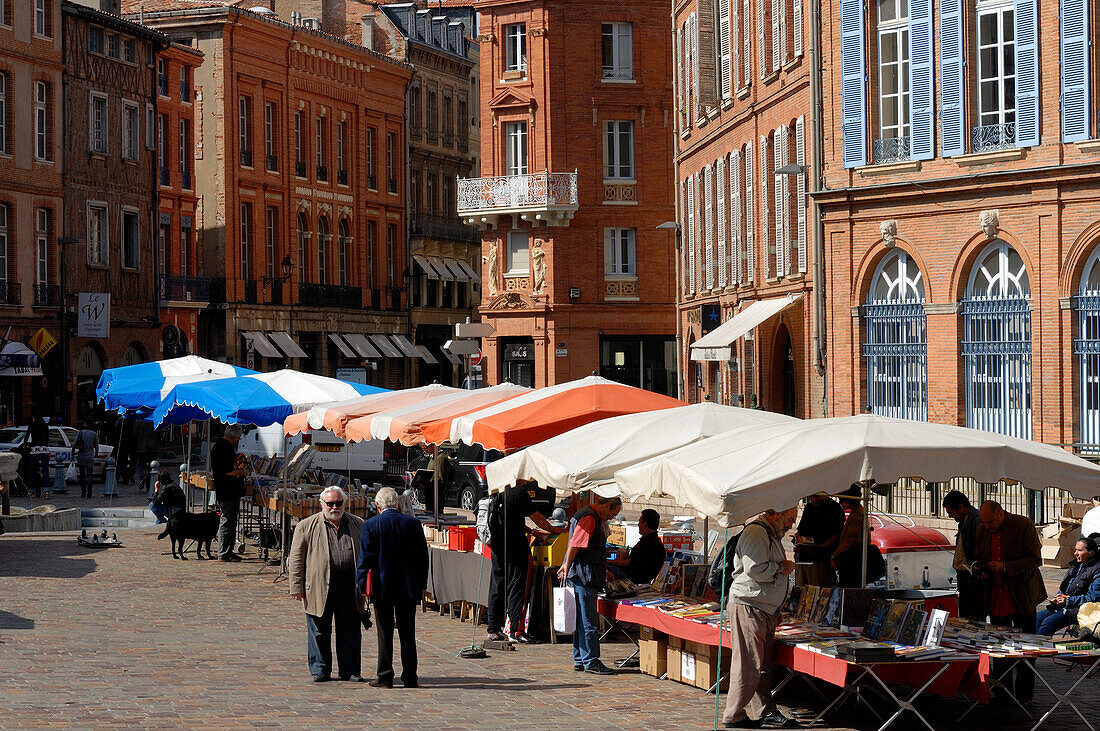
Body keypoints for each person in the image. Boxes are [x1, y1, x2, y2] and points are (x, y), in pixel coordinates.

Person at [721, 507, 799, 729]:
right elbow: (755, 569)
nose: (791, 525)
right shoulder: (757, 532)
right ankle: (733, 715)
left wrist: (775, 606)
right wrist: (781, 567)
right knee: (748, 663)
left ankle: (765, 710)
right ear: (776, 514)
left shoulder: (769, 533)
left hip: (763, 607)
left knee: (761, 664)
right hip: (750, 605)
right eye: (790, 519)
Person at [289, 486, 369, 683]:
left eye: (338, 503)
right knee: (318, 629)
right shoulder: (306, 526)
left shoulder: (358, 524)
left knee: (350, 630)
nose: (334, 507)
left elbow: (368, 555)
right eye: (330, 503)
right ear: (322, 504)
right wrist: (296, 586)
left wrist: (367, 585)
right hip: (318, 585)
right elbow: (296, 559)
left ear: (345, 503)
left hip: (349, 585)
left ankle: (349, 670)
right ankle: (320, 669)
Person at [356, 486, 429, 689]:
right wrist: (422, 584)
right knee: (408, 634)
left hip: (382, 587)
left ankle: (386, 676)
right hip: (408, 587)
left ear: (378, 506)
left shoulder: (371, 525)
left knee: (384, 632)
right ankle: (410, 676)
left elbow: (365, 559)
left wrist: (362, 585)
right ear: (397, 504)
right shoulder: (413, 524)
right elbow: (423, 558)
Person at [974, 500, 1045, 705]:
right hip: (996, 597)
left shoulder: (1023, 525)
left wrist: (1005, 567)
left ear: (1001, 514)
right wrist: (980, 569)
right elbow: (978, 557)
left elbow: (1034, 560)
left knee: (1025, 646)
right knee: (1000, 647)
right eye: (984, 522)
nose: (987, 526)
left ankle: (1025, 696)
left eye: (990, 522)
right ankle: (1002, 692)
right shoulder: (981, 531)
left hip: (1021, 596)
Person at [485, 481, 565, 644]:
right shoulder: (519, 493)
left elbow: (510, 519)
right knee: (518, 586)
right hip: (516, 548)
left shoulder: (497, 490)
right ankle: (516, 630)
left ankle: (493, 628)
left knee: (498, 584)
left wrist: (529, 530)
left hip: (498, 546)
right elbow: (536, 516)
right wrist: (554, 530)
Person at [557, 493, 621, 675]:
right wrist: (567, 564)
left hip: (584, 573)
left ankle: (580, 658)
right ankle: (591, 660)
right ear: (606, 506)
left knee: (581, 619)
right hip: (584, 576)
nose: (612, 518)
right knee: (588, 620)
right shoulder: (589, 517)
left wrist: (604, 568)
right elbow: (576, 544)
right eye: (613, 513)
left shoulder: (586, 515)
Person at [1035, 535, 1100, 636]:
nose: (1075, 553)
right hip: (1064, 605)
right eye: (1075, 550)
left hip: (1079, 610)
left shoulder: (1097, 570)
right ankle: (1031, 645)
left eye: (1079, 550)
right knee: (1038, 618)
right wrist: (1059, 596)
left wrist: (1069, 600)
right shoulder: (1076, 565)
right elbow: (1065, 588)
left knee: (1048, 623)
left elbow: (1093, 598)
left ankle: (1040, 647)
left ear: (1090, 553)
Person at [943, 490, 984, 619]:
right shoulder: (964, 521)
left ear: (961, 507)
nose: (950, 516)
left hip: (973, 580)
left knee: (973, 616)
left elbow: (981, 551)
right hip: (965, 578)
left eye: (951, 512)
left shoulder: (977, 521)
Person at [210, 424, 247, 562]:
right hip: (227, 489)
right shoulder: (224, 448)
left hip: (226, 489)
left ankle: (228, 550)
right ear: (233, 436)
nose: (238, 440)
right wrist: (240, 472)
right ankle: (224, 552)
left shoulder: (219, 446)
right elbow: (226, 471)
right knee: (227, 520)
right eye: (237, 437)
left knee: (230, 520)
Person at [793, 491, 845, 587]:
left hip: (822, 560)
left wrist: (818, 548)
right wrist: (796, 540)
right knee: (801, 590)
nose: (813, 499)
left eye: (816, 496)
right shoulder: (809, 507)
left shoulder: (835, 508)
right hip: (803, 557)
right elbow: (800, 530)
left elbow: (835, 537)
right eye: (811, 496)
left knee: (817, 591)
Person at [607, 509, 667, 585]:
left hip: (633, 579)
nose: (638, 525)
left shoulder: (651, 544)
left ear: (645, 524)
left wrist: (610, 561)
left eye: (639, 522)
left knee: (604, 567)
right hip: (634, 576)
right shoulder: (651, 541)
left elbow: (632, 563)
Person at [831, 486, 867, 588]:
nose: (840, 503)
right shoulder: (859, 511)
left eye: (842, 500)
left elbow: (849, 542)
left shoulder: (855, 517)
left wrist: (834, 555)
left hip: (852, 564)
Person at [23, 412, 50, 498]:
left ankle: (32, 491)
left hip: (34, 450)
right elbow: (48, 439)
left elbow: (26, 438)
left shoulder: (32, 426)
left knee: (33, 472)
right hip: (45, 450)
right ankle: (46, 491)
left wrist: (28, 445)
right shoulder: (45, 426)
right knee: (45, 471)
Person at [72, 421, 98, 499]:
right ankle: (89, 492)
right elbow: (96, 446)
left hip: (81, 456)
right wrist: (96, 453)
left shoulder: (81, 432)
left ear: (85, 424)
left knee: (82, 475)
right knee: (90, 475)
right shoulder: (94, 434)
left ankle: (83, 492)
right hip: (90, 456)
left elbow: (74, 444)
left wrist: (72, 453)